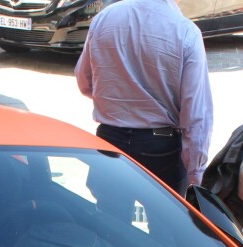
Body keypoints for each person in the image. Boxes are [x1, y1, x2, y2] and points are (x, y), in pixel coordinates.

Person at [74, 0, 213, 197]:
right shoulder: (185, 31)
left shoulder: (105, 18)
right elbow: (196, 113)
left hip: (110, 138)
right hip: (161, 148)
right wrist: (196, 172)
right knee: (165, 223)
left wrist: (118, 103)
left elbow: (85, 81)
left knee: (111, 221)